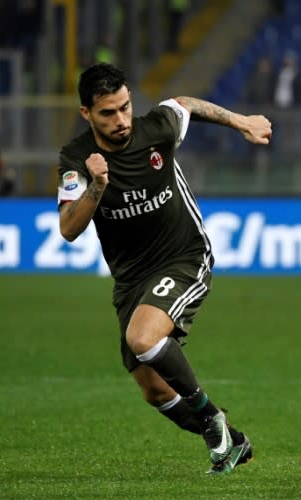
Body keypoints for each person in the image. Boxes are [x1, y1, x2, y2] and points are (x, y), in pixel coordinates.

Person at [56, 63, 272, 474]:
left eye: (124, 107)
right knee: (154, 390)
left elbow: (185, 103)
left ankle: (211, 421)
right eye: (108, 113)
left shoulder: (157, 128)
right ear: (86, 113)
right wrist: (97, 187)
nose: (121, 120)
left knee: (142, 337)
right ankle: (235, 442)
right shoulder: (76, 159)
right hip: (131, 279)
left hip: (184, 255)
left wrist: (241, 122)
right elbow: (68, 228)